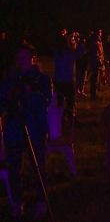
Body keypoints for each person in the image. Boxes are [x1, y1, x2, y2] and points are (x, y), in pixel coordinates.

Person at [0, 47, 52, 218]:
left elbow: (46, 100)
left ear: (33, 58)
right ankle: (17, 202)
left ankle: (41, 201)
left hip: (35, 128)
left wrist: (30, 94)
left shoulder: (42, 79)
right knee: (14, 167)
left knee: (37, 166)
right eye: (19, 57)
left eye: (25, 57)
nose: (21, 61)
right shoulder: (10, 79)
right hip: (14, 129)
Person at [53, 32, 83, 128]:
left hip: (58, 80)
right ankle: (71, 119)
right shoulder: (69, 53)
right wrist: (78, 41)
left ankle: (60, 120)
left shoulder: (57, 53)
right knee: (70, 101)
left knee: (60, 101)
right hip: (68, 81)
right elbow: (80, 52)